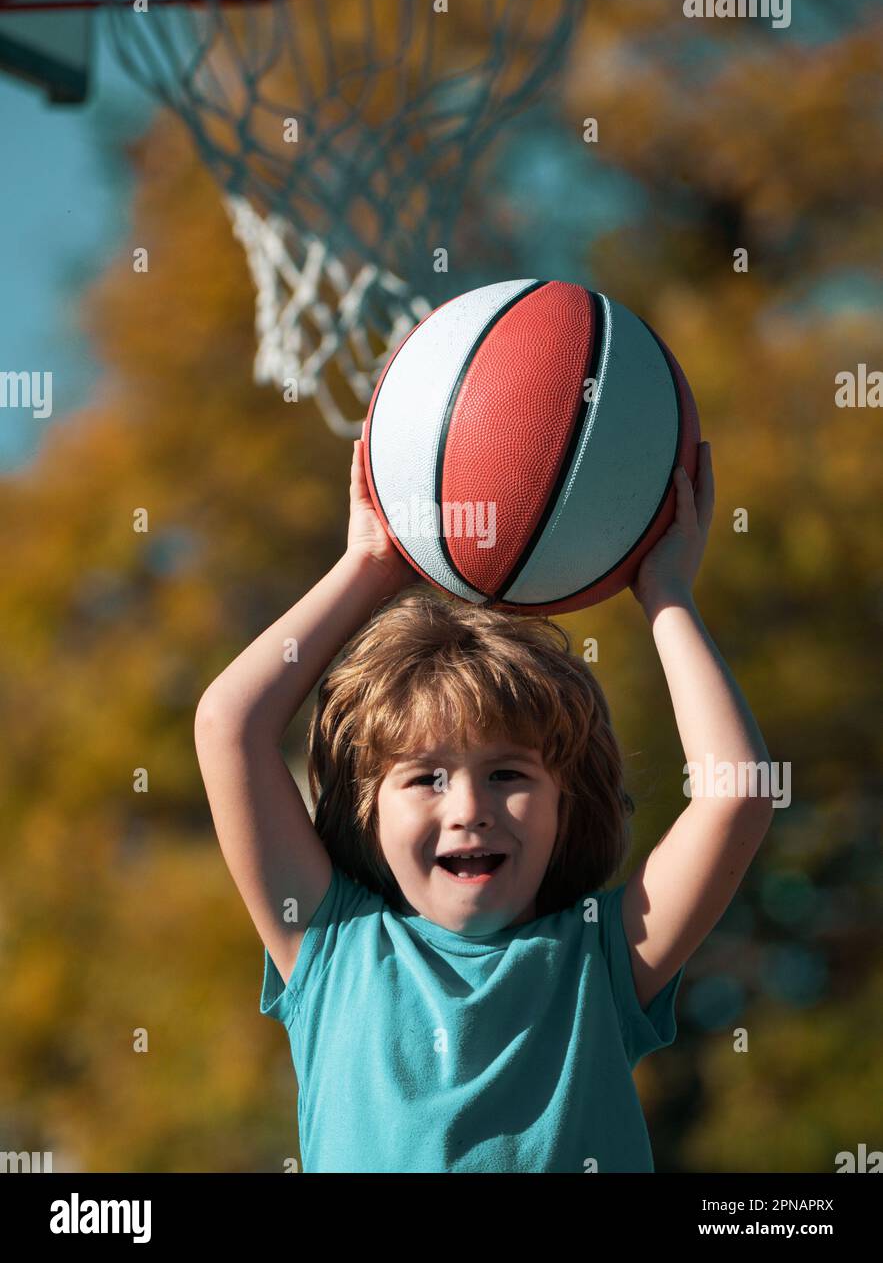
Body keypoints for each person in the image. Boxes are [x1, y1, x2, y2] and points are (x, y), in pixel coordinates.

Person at [194, 437, 773, 1171]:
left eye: (507, 775)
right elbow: (227, 727)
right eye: (425, 779)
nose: (468, 807)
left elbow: (737, 795)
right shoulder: (329, 946)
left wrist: (666, 595)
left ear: (568, 807)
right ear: (365, 815)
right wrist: (368, 567)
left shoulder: (601, 957)